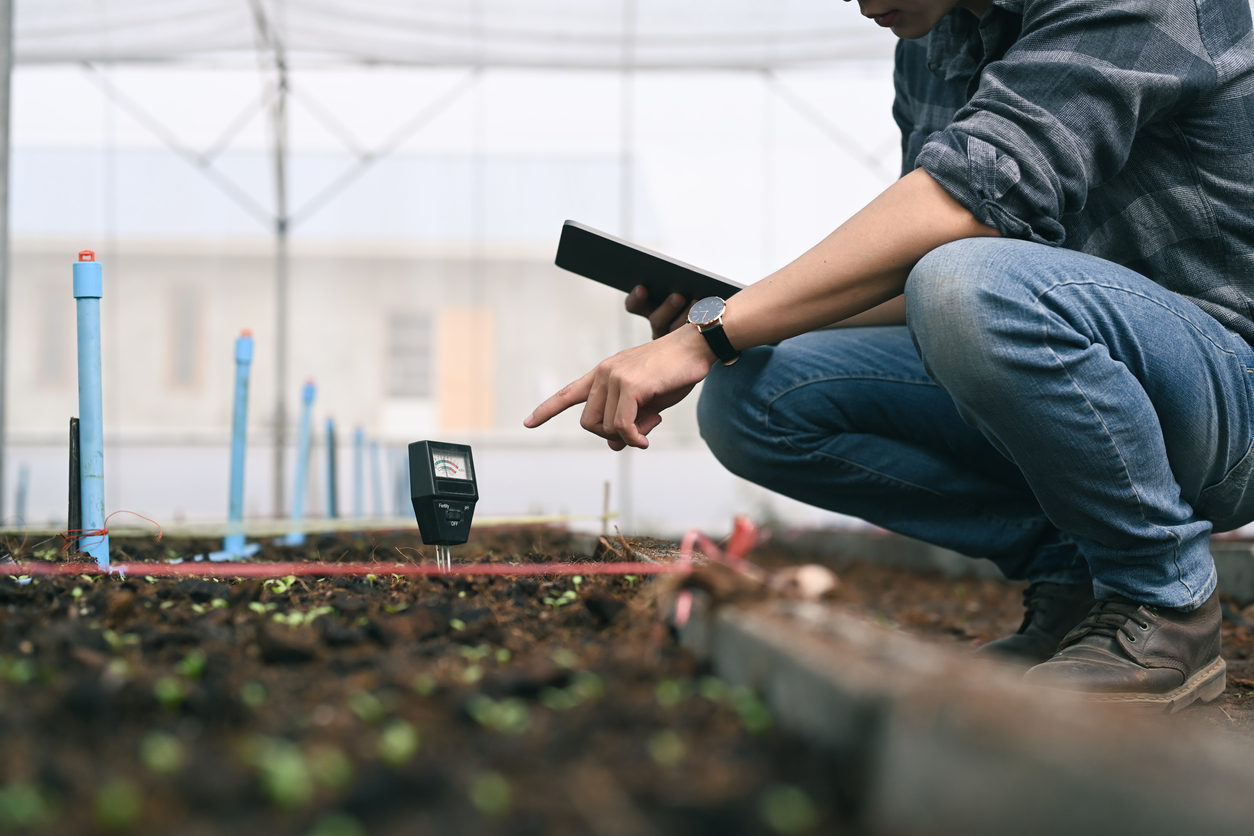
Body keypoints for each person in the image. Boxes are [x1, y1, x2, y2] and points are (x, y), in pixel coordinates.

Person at [525, 0, 1254, 711]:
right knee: (753, 397)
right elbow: (917, 272)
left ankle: (1163, 598)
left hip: (1229, 394)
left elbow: (966, 211)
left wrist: (711, 333)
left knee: (966, 282)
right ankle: (1074, 578)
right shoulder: (931, 43)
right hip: (1077, 371)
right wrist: (728, 325)